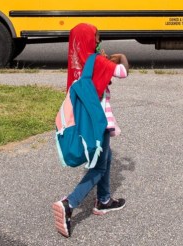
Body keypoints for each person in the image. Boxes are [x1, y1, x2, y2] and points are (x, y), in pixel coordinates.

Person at [53, 23, 130, 238]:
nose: (98, 41)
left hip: (82, 120)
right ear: (89, 40)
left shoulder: (75, 63)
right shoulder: (96, 61)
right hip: (98, 120)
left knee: (106, 157)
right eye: (96, 37)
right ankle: (69, 203)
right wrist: (121, 56)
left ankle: (104, 200)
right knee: (98, 167)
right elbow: (123, 72)